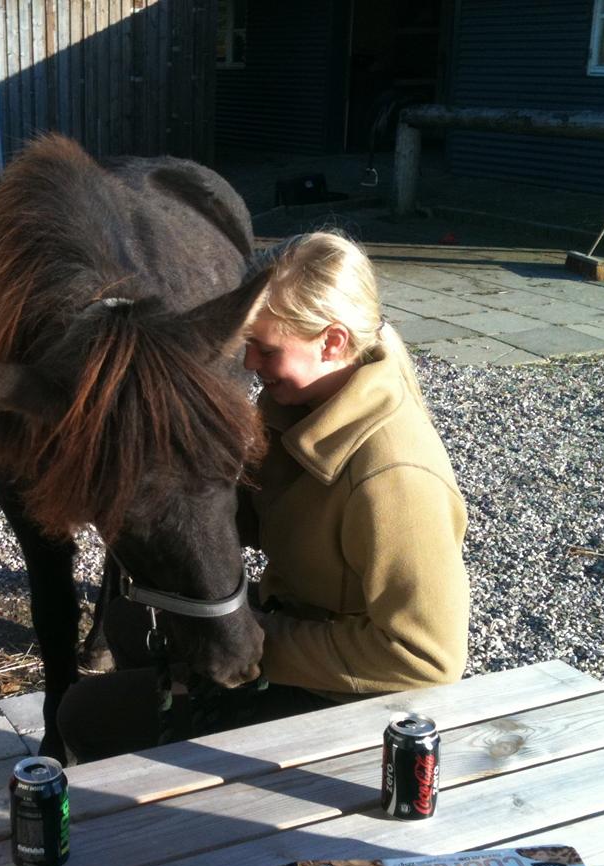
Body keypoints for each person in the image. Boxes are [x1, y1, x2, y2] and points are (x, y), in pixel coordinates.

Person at [57, 231, 469, 762]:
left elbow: (427, 657)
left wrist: (259, 640)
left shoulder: (395, 478)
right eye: (249, 344)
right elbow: (262, 514)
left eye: (267, 349)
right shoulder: (310, 402)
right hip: (299, 620)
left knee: (83, 714)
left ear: (333, 341)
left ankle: (193, 786)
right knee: (128, 620)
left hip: (350, 697)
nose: (249, 362)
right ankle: (175, 750)